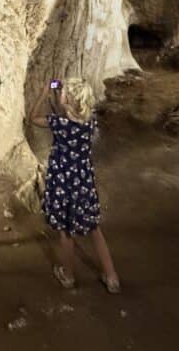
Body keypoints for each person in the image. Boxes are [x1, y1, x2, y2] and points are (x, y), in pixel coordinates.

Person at [32, 77, 120, 293]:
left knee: (66, 232)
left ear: (68, 101)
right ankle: (112, 277)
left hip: (63, 183)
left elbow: (33, 118)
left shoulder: (59, 124)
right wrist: (65, 96)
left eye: (64, 94)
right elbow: (75, 116)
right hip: (83, 183)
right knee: (94, 229)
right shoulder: (90, 124)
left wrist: (45, 91)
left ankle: (68, 276)